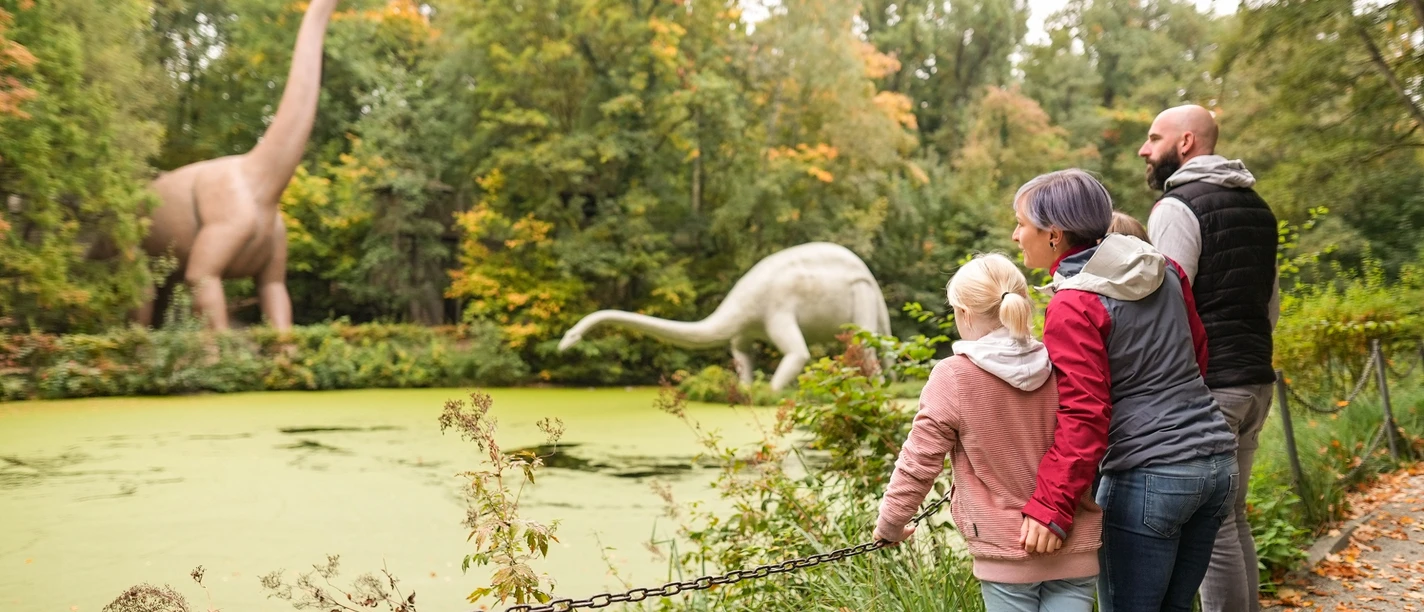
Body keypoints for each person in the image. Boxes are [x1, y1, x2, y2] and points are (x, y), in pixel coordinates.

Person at [1010, 169, 1238, 611]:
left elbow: (1084, 416)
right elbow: (1196, 355)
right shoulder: (1165, 269)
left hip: (1150, 476)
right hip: (1216, 466)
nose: (1016, 235)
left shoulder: (1073, 303)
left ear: (1054, 234)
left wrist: (1050, 507)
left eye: (1021, 223)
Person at [873, 253, 1102, 612]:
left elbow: (918, 462)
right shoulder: (1061, 365)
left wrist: (890, 524)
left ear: (963, 314)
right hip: (1074, 544)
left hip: (1005, 553)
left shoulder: (954, 377)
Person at [1139, 105, 1279, 612]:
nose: (1143, 149)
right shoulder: (1258, 208)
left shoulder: (1179, 207)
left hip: (1210, 386)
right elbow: (1271, 303)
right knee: (1232, 515)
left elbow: (1167, 305)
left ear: (1186, 143)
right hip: (1255, 379)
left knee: (1210, 524)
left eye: (1154, 138)